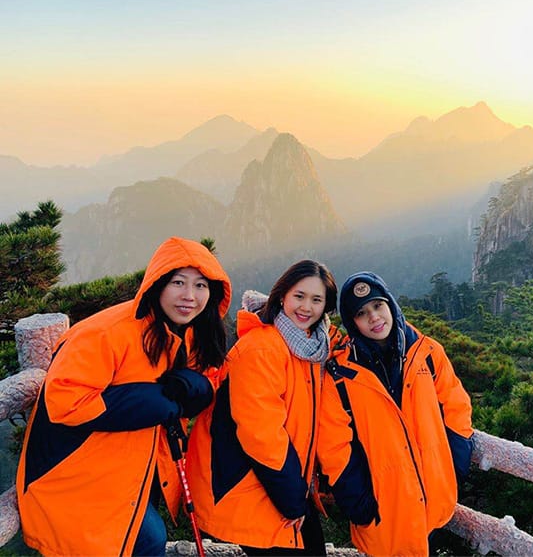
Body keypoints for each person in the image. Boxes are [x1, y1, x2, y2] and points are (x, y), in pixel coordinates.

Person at [16, 236, 231, 556]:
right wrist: (152, 399)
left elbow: (210, 375)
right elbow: (64, 401)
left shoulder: (189, 332)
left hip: (133, 465)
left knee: (145, 538)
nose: (189, 296)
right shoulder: (107, 333)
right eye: (178, 282)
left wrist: (197, 390)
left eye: (201, 285)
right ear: (157, 284)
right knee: (149, 539)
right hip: (78, 474)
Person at [186, 259, 339, 556]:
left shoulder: (310, 347)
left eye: (316, 299)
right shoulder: (262, 348)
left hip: (279, 481)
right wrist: (293, 500)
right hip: (249, 483)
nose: (306, 307)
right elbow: (262, 435)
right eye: (299, 296)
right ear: (282, 295)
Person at [317, 271, 474, 557]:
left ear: (390, 304)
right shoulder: (340, 376)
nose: (374, 318)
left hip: (434, 501)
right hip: (384, 514)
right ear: (352, 322)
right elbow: (333, 445)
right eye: (362, 313)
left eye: (378, 306)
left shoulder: (426, 352)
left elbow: (456, 404)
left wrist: (455, 462)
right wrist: (358, 502)